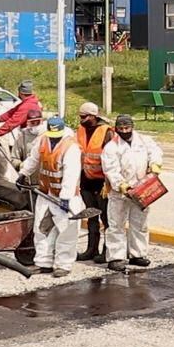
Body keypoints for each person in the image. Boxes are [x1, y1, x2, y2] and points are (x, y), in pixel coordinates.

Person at [17, 115, 83, 277]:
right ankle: (43, 262)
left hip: (65, 196)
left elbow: (71, 174)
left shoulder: (71, 147)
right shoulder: (43, 140)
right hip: (46, 193)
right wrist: (23, 173)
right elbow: (34, 159)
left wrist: (66, 198)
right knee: (41, 228)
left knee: (66, 231)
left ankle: (63, 264)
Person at [100, 114, 163, 272]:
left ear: (132, 127)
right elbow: (110, 169)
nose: (124, 131)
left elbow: (155, 152)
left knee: (140, 223)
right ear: (116, 129)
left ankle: (138, 254)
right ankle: (116, 257)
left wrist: (155, 164)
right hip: (119, 192)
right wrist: (121, 184)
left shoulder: (144, 141)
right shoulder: (111, 147)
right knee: (116, 225)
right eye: (121, 129)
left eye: (127, 128)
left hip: (142, 189)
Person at [75, 101, 113, 263]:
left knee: (106, 218)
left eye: (84, 117)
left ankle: (108, 251)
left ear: (93, 116)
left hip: (102, 183)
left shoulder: (106, 132)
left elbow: (111, 159)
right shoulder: (81, 130)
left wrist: (108, 183)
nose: (81, 120)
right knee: (91, 216)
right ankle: (91, 249)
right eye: (80, 116)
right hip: (86, 181)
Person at [0, 106, 45, 183]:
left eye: (38, 122)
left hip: (45, 181)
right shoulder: (22, 136)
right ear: (28, 122)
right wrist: (21, 165)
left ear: (42, 121)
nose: (35, 125)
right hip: (29, 180)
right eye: (32, 122)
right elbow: (13, 159)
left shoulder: (47, 135)